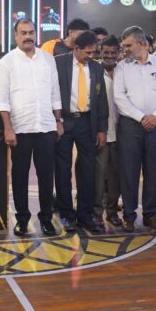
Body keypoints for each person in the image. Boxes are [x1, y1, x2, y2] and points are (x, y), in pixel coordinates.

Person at [0, 19, 62, 236]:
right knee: (20, 176)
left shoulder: (48, 59)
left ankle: (46, 218)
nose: (28, 36)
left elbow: (55, 93)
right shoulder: (7, 62)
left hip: (45, 126)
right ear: (15, 36)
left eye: (31, 32)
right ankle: (22, 219)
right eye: (23, 33)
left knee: (46, 176)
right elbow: (3, 99)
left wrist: (58, 121)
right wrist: (8, 128)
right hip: (20, 128)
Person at [114, 26, 156, 232]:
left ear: (141, 44)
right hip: (131, 125)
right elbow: (119, 97)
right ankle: (129, 216)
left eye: (128, 45)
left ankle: (150, 214)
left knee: (154, 171)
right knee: (129, 172)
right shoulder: (122, 67)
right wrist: (141, 117)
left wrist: (155, 116)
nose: (125, 50)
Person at [54, 31, 107, 233]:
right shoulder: (58, 63)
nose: (91, 56)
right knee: (62, 169)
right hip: (64, 122)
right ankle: (66, 215)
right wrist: (56, 120)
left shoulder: (96, 67)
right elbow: (52, 93)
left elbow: (101, 100)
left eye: (93, 52)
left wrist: (101, 129)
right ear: (75, 48)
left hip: (88, 123)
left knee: (88, 171)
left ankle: (85, 215)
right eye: (87, 52)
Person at [94, 36, 123, 226]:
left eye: (114, 53)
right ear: (100, 52)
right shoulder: (94, 71)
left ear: (119, 52)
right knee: (97, 175)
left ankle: (112, 212)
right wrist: (98, 129)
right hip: (101, 132)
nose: (110, 56)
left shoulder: (125, 71)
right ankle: (96, 213)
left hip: (123, 133)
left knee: (116, 175)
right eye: (106, 53)